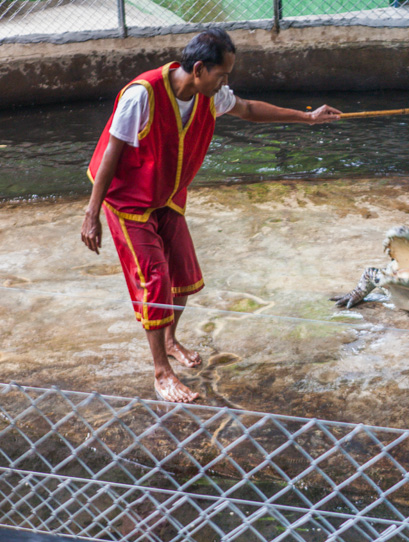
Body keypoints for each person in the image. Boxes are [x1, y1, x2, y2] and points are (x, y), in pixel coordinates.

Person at [80, 28, 340, 403]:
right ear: (199, 69)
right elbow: (112, 152)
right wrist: (92, 213)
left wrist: (308, 117)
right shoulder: (143, 95)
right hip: (128, 199)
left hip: (165, 193)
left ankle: (170, 341)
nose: (226, 83)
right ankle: (161, 373)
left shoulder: (209, 95)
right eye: (222, 75)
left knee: (183, 274)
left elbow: (248, 109)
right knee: (155, 278)